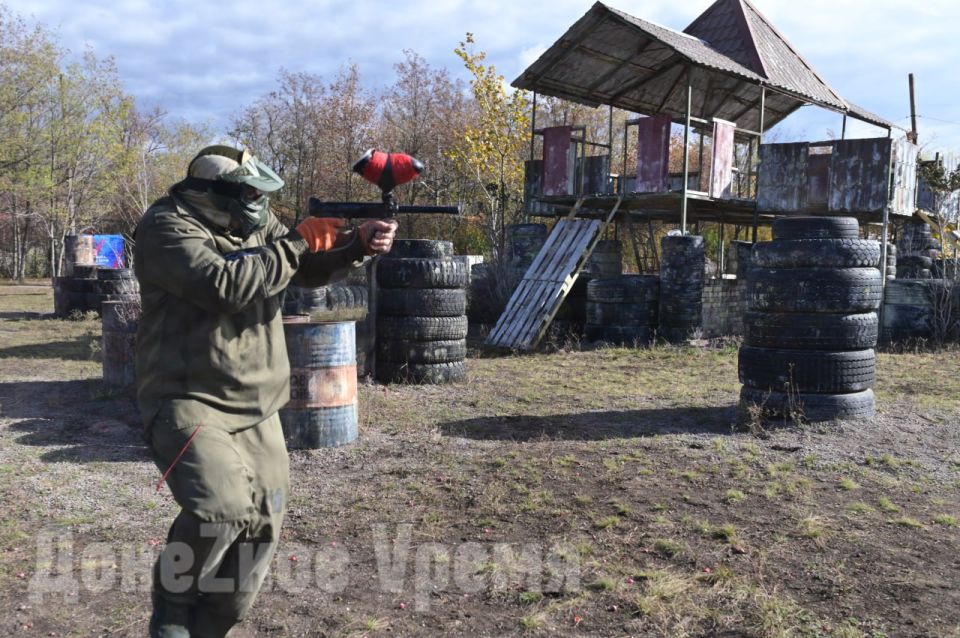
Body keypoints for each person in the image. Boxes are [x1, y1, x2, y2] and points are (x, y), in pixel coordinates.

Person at [134, 145, 397, 637]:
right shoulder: (167, 227)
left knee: (261, 525)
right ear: (216, 195)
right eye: (250, 195)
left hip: (257, 405)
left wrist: (354, 246)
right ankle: (171, 612)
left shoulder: (254, 222)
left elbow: (304, 268)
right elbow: (224, 285)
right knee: (220, 511)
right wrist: (296, 242)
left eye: (261, 195)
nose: (260, 204)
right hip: (189, 399)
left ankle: (212, 626)